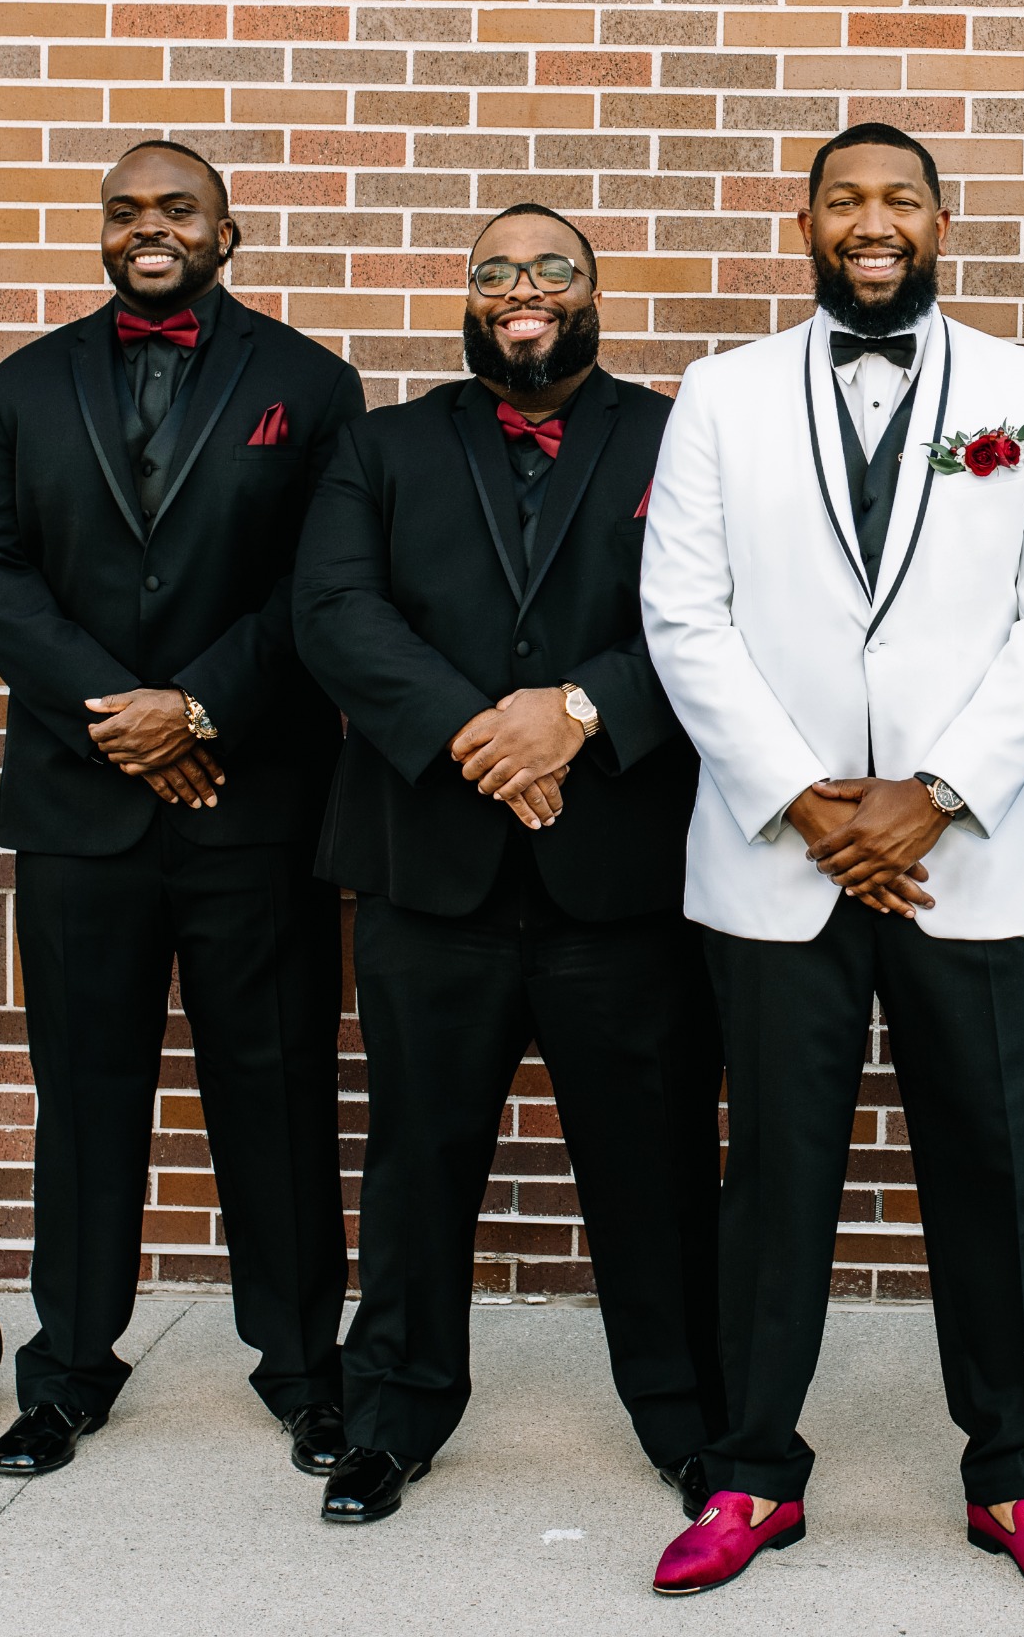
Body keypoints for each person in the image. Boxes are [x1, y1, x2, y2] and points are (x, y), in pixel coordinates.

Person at [638, 124, 1024, 1601]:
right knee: (772, 1174)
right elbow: (684, 616)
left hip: (965, 858)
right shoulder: (718, 396)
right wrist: (806, 801)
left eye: (899, 196)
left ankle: (1017, 1479)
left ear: (941, 221)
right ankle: (748, 1472)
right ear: (803, 225)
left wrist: (936, 794)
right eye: (844, 198)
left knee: (995, 1171)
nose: (872, 219)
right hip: (778, 858)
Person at [293, 204, 724, 1527]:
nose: (519, 289)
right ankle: (394, 1419)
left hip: (627, 882)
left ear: (593, 293)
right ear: (468, 299)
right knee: (416, 1164)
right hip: (432, 873)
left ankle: (692, 1423)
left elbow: (719, 607)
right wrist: (477, 732)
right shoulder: (380, 447)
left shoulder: (676, 441)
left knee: (653, 1171)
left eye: (550, 269)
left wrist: (577, 712)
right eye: (493, 272)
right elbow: (334, 609)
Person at [0, 140, 367, 1479]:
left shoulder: (310, 385)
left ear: (226, 231)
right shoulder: (22, 387)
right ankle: (67, 1369)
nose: (148, 227)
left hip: (253, 802)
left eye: (175, 208)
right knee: (83, 1093)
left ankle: (304, 1365)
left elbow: (324, 581)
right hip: (80, 809)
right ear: (99, 233)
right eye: (123, 210)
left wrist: (199, 708)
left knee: (279, 1088)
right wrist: (117, 712)